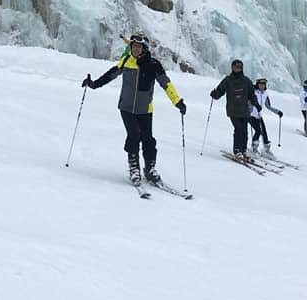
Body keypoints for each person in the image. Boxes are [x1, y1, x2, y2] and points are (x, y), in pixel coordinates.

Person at [82, 33, 186, 186]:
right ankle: (134, 168)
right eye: (134, 46)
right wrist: (93, 84)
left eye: (139, 46)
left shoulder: (153, 65)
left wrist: (177, 102)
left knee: (148, 140)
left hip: (145, 109)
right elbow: (110, 75)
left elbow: (166, 84)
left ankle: (150, 169)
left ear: (144, 49)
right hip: (127, 107)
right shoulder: (126, 61)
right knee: (134, 135)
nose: (136, 49)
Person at [210, 59, 258, 159]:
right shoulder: (227, 80)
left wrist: (256, 103)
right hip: (233, 110)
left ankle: (243, 150)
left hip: (245, 110)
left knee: (244, 131)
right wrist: (215, 94)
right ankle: (237, 150)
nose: (237, 68)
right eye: (236, 67)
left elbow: (252, 94)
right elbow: (220, 90)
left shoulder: (246, 81)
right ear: (232, 67)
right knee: (238, 129)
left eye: (239, 67)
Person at [249, 77, 283, 154]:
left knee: (264, 132)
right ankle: (254, 148)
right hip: (251, 115)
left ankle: (266, 149)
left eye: (264, 84)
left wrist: (278, 112)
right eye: (261, 84)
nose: (262, 86)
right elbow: (249, 102)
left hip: (259, 116)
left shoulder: (265, 94)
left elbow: (268, 106)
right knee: (258, 131)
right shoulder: (253, 92)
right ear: (257, 84)